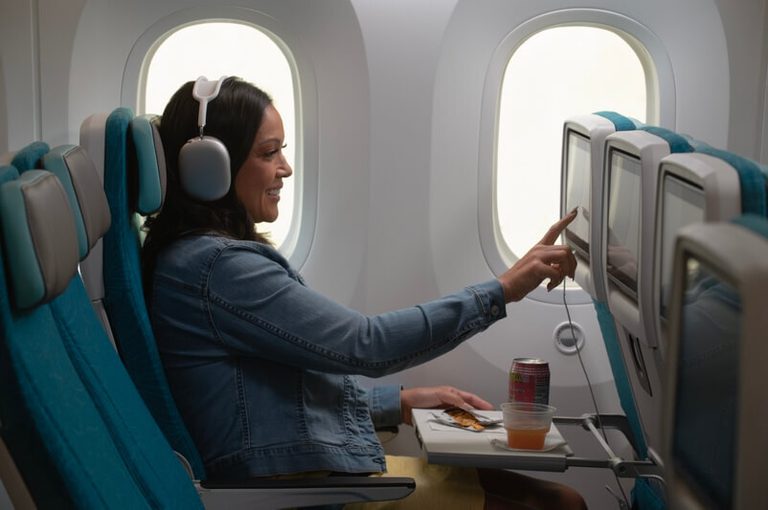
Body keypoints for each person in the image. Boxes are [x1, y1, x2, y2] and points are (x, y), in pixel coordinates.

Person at [142, 76, 585, 509]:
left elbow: (272, 396)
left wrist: (397, 402)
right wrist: (502, 290)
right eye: (268, 152)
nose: (286, 168)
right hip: (298, 490)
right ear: (209, 168)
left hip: (305, 473)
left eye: (283, 150)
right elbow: (365, 345)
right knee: (559, 503)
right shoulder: (218, 267)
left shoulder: (203, 259)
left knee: (556, 497)